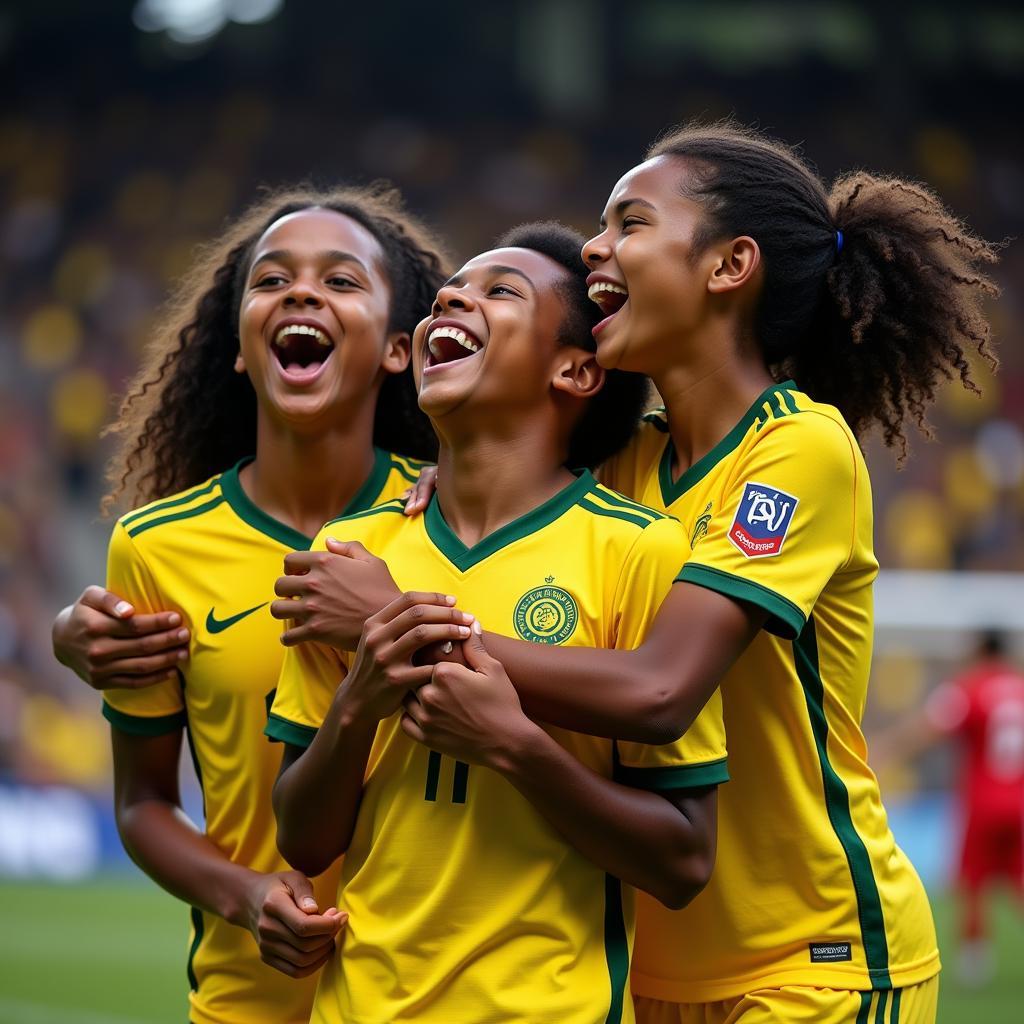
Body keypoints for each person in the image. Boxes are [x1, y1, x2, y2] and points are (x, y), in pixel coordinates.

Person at [279, 123, 1000, 1023]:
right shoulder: (621, 471)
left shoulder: (797, 447)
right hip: (648, 966)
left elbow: (660, 690)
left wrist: (402, 624)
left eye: (630, 222)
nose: (594, 246)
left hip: (812, 959)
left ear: (729, 266)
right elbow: (510, 500)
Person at [268, 222, 729, 1024]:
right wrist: (358, 704)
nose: (452, 295)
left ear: (575, 370)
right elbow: (304, 841)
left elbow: (683, 861)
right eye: (453, 290)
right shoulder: (351, 555)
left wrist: (514, 747)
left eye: (500, 292)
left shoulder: (639, 551)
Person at [52, 185, 449, 1024]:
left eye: (342, 281)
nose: (301, 293)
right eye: (272, 281)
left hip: (427, 998)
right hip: (248, 1002)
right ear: (240, 345)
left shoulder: (454, 524)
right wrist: (243, 894)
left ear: (398, 349)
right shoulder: (155, 548)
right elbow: (143, 804)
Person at [875, 630, 1024, 986]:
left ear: (980, 651)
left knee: (972, 880)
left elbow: (930, 727)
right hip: (1020, 803)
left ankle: (975, 964)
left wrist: (884, 750)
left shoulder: (969, 687)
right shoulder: (1019, 687)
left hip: (984, 804)